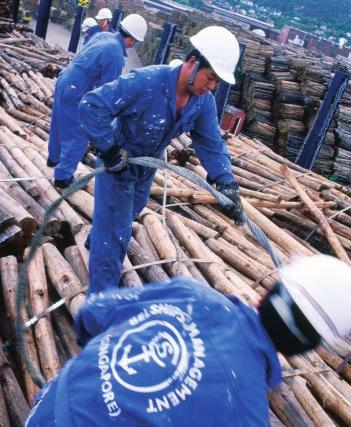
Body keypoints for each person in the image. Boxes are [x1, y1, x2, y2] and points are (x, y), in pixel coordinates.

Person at [25, 254, 351, 426]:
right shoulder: (248, 416)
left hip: (47, 412)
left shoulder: (190, 294)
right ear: (309, 348)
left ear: (266, 294)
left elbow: (92, 314)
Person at [79, 26, 244, 293]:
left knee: (132, 210)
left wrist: (225, 181)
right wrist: (108, 150)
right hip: (118, 164)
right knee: (115, 237)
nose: (211, 86)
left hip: (146, 168)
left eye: (217, 82)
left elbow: (210, 142)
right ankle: (99, 308)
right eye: (210, 78)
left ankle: (97, 237)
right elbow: (92, 105)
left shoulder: (203, 102)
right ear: (192, 62)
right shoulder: (145, 82)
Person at [47, 14, 148, 189]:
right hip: (76, 90)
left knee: (58, 123)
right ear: (132, 39)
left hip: (65, 80)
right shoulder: (116, 55)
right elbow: (106, 92)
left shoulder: (105, 35)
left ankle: (53, 157)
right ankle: (63, 177)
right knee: (78, 135)